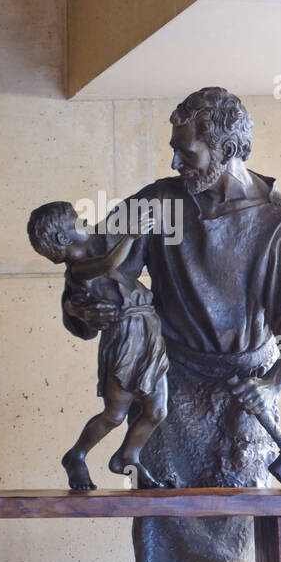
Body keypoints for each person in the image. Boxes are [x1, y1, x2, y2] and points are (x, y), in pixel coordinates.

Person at [62, 87, 281, 562]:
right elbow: (99, 266)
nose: (178, 161)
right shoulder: (157, 204)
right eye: (174, 149)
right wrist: (92, 300)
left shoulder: (280, 219)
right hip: (173, 379)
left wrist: (276, 382)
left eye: (189, 150)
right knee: (160, 504)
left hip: (247, 387)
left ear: (229, 148)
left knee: (245, 509)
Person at [28, 201, 169, 490]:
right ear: (62, 239)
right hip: (124, 338)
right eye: (78, 222)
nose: (86, 224)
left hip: (149, 332)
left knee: (157, 411)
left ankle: (129, 457)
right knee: (115, 414)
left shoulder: (101, 247)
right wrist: (131, 235)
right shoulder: (80, 270)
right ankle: (76, 455)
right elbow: (108, 264)